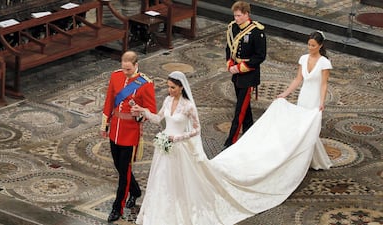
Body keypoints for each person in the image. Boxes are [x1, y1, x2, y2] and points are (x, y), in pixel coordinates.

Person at [132, 71, 331, 225]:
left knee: (182, 181)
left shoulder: (188, 107)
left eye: (173, 88)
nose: (169, 91)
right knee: (162, 180)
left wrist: (178, 137)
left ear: (181, 88)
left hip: (178, 147)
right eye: (168, 87)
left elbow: (196, 130)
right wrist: (144, 112)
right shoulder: (167, 101)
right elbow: (159, 119)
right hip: (165, 147)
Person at [100, 50, 157, 223]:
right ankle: (136, 190)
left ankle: (117, 207)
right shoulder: (115, 76)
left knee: (124, 172)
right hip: (116, 128)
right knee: (119, 165)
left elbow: (151, 111)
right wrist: (105, 124)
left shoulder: (145, 84)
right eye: (123, 68)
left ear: (136, 65)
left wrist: (140, 114)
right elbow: (110, 100)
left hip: (131, 132)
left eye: (128, 69)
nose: (125, 72)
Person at [277, 30, 333, 170]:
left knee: (310, 128)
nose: (310, 47)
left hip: (314, 98)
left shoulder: (324, 63)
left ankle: (307, 160)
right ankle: (302, 159)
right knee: (300, 127)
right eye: (308, 44)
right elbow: (298, 79)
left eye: (313, 45)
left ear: (320, 46)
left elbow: (324, 84)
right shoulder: (303, 58)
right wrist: (286, 93)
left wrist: (321, 102)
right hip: (304, 96)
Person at [224, 0, 267, 148]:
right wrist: (230, 64)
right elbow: (229, 48)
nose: (236, 18)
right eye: (235, 15)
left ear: (247, 14)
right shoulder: (233, 28)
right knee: (245, 109)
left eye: (239, 16)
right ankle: (250, 135)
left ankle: (231, 142)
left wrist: (241, 67)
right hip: (236, 73)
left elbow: (260, 56)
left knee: (240, 110)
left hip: (249, 74)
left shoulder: (256, 31)